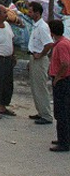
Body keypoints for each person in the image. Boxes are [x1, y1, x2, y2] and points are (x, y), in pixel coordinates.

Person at [28, 2, 55, 126]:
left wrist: (42, 54)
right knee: (35, 87)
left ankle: (46, 115)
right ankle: (41, 111)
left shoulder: (42, 27)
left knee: (40, 87)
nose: (29, 13)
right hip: (34, 57)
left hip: (39, 58)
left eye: (31, 11)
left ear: (37, 13)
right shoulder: (36, 26)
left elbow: (49, 44)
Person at [49, 19, 70, 152]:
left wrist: (57, 78)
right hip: (64, 79)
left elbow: (65, 63)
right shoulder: (64, 42)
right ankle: (64, 138)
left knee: (61, 112)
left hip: (62, 80)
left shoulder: (61, 45)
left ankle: (64, 142)